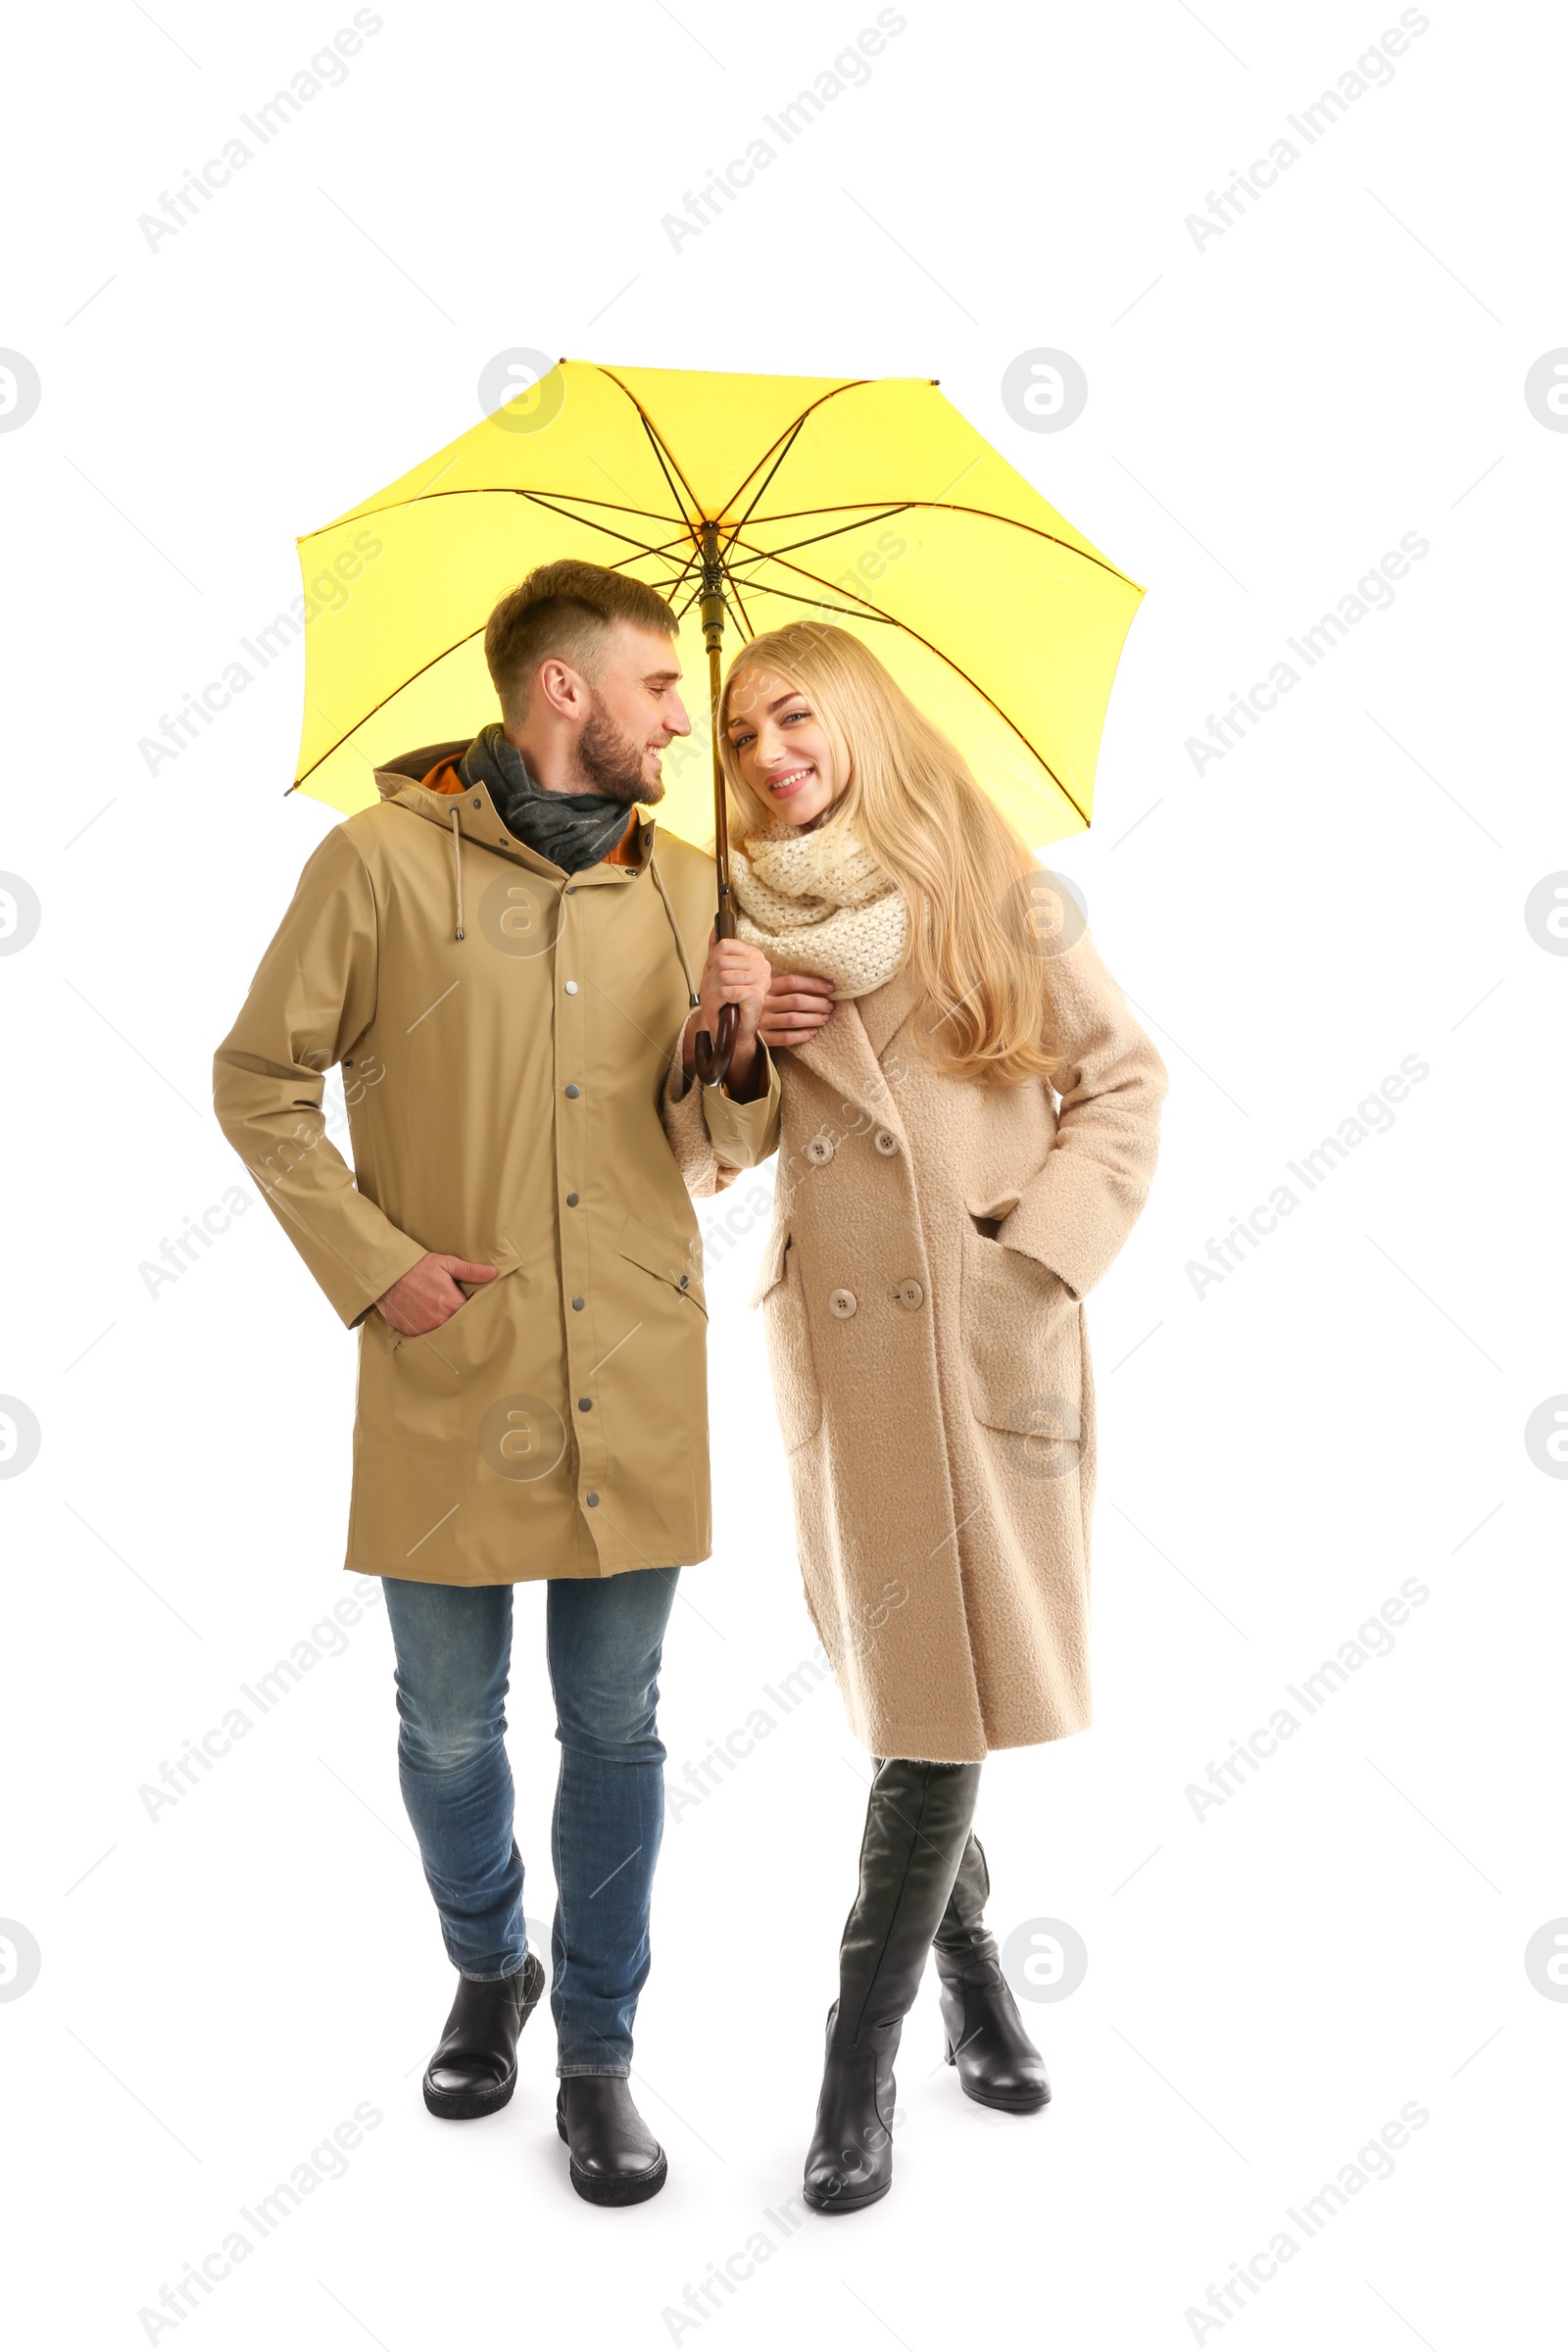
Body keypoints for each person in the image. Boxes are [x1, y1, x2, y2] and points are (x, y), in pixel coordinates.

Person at [213, 562, 777, 2206]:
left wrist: (738, 1050)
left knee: (618, 1727)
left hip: (635, 1364)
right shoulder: (375, 867)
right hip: (450, 1363)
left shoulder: (689, 890)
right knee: (450, 1727)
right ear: (563, 693)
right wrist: (374, 1263)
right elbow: (258, 1085)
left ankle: (597, 2051)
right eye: (659, 686)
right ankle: (488, 1962)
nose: (688, 717)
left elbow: (713, 1153)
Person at [671, 620, 1167, 2215]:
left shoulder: (988, 884)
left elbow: (1128, 1081)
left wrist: (1038, 1260)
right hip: (851, 1364)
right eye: (739, 739)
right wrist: (738, 1039)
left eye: (793, 720)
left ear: (864, 720)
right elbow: (705, 1156)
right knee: (917, 1700)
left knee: (932, 1712)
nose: (766, 760)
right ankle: (972, 1993)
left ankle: (855, 2063)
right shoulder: (721, 922)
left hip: (986, 1337)